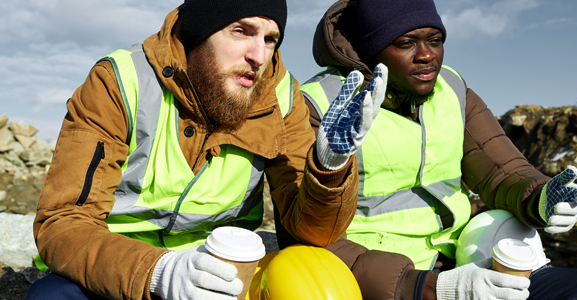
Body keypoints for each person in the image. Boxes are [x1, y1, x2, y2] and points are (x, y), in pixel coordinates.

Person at [26, 0, 388, 299]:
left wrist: (329, 168)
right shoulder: (119, 80)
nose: (259, 56)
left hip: (228, 273)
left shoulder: (282, 96)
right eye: (241, 31)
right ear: (200, 31)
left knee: (320, 285)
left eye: (271, 38)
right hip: (121, 271)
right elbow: (62, 223)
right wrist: (158, 273)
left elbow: (311, 235)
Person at [288, 0, 577, 299]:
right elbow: (307, 233)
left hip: (467, 264)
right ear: (371, 49)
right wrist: (426, 288)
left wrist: (541, 197)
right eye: (406, 43)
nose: (426, 55)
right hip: (384, 283)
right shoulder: (318, 106)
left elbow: (501, 170)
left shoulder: (451, 87)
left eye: (435, 40)